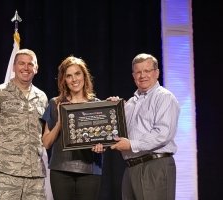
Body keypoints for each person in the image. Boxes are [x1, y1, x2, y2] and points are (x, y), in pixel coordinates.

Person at [0, 49, 48, 200]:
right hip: (5, 175)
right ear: (13, 67)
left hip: (35, 178)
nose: (26, 68)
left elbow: (44, 135)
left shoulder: (42, 97)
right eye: (21, 63)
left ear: (36, 68)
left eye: (30, 64)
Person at [110, 53, 180, 200]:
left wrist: (131, 144)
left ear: (157, 73)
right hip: (131, 168)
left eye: (147, 71)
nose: (142, 76)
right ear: (133, 76)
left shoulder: (164, 97)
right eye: (138, 72)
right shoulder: (130, 103)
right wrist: (113, 110)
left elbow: (162, 133)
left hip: (155, 165)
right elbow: (119, 132)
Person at [41, 56, 105, 200]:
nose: (74, 79)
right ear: (64, 80)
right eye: (69, 76)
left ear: (84, 76)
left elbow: (105, 137)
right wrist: (59, 122)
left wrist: (102, 146)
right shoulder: (55, 103)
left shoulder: (97, 105)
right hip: (61, 171)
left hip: (90, 170)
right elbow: (46, 143)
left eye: (77, 74)